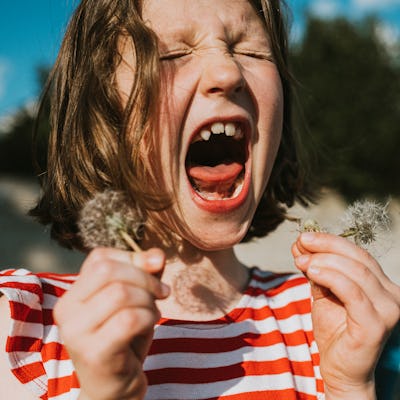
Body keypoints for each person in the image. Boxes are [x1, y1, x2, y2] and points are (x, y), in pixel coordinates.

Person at [0, 0, 399, 399]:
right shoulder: (26, 327)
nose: (228, 72)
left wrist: (349, 386)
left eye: (253, 52)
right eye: (172, 52)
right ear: (101, 109)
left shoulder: (333, 322)